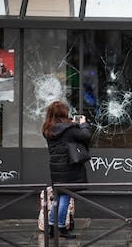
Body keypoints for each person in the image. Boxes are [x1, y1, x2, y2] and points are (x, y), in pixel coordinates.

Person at [42, 101, 91, 239]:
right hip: (69, 166)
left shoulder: (48, 129)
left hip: (56, 166)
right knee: (65, 196)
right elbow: (85, 136)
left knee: (59, 195)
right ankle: (60, 228)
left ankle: (52, 226)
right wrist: (83, 124)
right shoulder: (69, 129)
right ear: (63, 113)